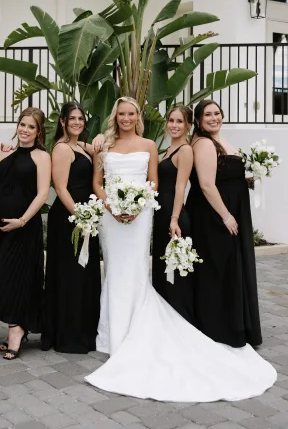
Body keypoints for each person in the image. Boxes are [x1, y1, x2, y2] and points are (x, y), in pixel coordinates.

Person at [85, 96, 276, 402]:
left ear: (189, 125)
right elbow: (97, 174)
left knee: (138, 270)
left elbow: (169, 185)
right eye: (121, 113)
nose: (125, 117)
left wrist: (153, 210)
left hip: (148, 215)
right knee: (117, 270)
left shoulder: (169, 147)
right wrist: (111, 201)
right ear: (115, 116)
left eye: (131, 113)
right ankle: (112, 333)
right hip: (117, 216)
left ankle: (146, 328)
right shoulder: (136, 146)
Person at [0, 107, 50, 360]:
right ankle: (14, 327)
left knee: (14, 276)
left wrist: (22, 221)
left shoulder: (42, 157)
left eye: (31, 127)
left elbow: (42, 194)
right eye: (22, 125)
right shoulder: (5, 154)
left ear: (39, 131)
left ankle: (17, 330)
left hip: (23, 229)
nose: (25, 130)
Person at [187, 99, 263, 348]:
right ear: (198, 120)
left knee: (229, 267)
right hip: (213, 216)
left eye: (217, 113)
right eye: (207, 114)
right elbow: (207, 185)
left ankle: (232, 323)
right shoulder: (204, 143)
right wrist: (227, 216)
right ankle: (217, 327)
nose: (213, 117)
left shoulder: (219, 140)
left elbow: (225, 175)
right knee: (217, 268)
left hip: (228, 210)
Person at [41, 102, 101, 353]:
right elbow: (61, 187)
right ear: (63, 122)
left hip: (86, 217)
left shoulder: (81, 147)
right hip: (69, 218)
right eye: (72, 118)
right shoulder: (63, 149)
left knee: (83, 276)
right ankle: (68, 334)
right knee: (71, 276)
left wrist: (99, 137)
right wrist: (80, 216)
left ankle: (83, 329)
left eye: (81, 118)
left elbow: (103, 145)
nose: (77, 122)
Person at [152, 105, 194, 323]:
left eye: (179, 121)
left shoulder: (185, 151)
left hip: (173, 216)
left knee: (174, 272)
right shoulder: (168, 150)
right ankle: (165, 320)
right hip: (162, 216)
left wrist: (174, 219)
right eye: (171, 120)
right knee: (162, 268)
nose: (174, 125)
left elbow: (180, 188)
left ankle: (179, 321)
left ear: (188, 125)